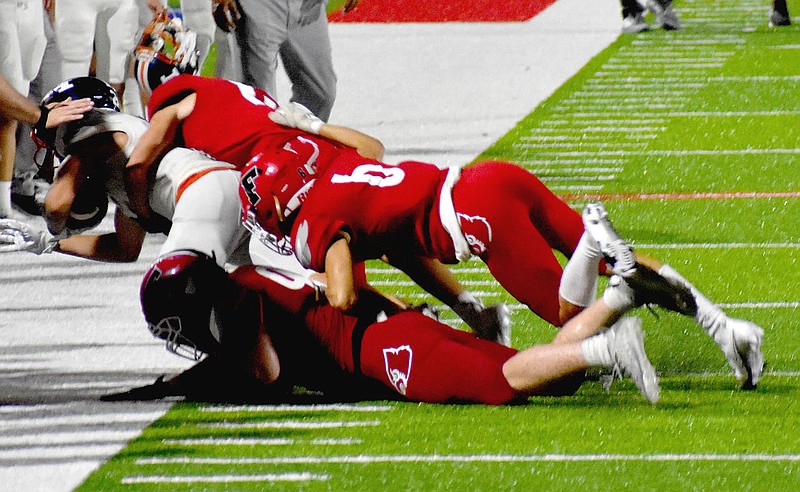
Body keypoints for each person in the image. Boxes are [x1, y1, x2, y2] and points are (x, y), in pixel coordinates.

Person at [240, 105, 764, 390]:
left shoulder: (318, 221)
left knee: (568, 313)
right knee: (615, 268)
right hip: (490, 178)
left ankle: (591, 244)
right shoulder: (332, 159)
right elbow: (378, 165)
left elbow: (343, 297)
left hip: (476, 219)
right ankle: (722, 324)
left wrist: (313, 278)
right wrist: (310, 125)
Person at [123, 247, 664, 404]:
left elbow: (266, 375)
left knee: (507, 383)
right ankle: (619, 296)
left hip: (381, 348)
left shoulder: (237, 301)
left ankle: (608, 348)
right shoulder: (243, 276)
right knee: (551, 377)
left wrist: (190, 386)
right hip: (392, 326)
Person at [0, 76, 282, 272]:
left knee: (179, 294)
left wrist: (55, 227)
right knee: (277, 284)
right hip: (222, 191)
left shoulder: (86, 132)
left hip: (198, 194)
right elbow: (125, 249)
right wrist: (49, 245)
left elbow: (56, 204)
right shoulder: (122, 147)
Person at [210, 0, 358, 122]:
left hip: (308, 6)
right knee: (258, 96)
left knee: (321, 93)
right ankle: (262, 151)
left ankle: (300, 146)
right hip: (258, 6)